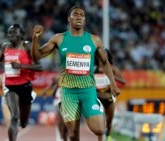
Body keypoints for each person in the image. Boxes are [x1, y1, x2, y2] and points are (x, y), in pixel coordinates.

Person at [31, 5, 120, 141]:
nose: (79, 17)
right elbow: (36, 56)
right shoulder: (59, 39)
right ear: (69, 18)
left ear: (84, 19)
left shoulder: (94, 40)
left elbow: (105, 63)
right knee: (73, 134)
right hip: (68, 92)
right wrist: (35, 38)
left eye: (82, 15)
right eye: (75, 14)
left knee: (99, 129)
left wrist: (113, 84)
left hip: (88, 90)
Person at [0, 24, 42, 141]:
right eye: (9, 33)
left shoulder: (26, 47)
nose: (11, 35)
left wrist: (20, 65)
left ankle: (22, 123)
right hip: (11, 87)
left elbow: (39, 67)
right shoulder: (5, 47)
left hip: (25, 87)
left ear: (21, 34)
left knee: (24, 123)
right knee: (15, 117)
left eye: (14, 32)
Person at [94, 49, 126, 141]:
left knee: (109, 121)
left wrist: (110, 75)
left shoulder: (113, 68)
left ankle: (108, 136)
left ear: (108, 56)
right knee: (101, 119)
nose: (103, 56)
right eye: (101, 54)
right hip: (98, 97)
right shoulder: (94, 68)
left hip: (109, 97)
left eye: (105, 54)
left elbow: (124, 82)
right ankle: (100, 139)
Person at [41, 74, 68, 141]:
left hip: (67, 98)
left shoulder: (72, 76)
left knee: (65, 121)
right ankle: (62, 137)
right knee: (60, 120)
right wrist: (45, 90)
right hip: (59, 99)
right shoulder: (58, 76)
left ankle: (64, 135)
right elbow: (52, 84)